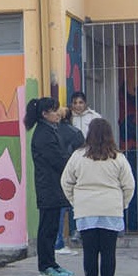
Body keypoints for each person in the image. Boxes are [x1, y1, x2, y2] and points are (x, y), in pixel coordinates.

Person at [60, 118, 134, 276]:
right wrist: (121, 204)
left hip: (86, 210)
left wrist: (75, 201)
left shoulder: (78, 156)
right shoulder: (118, 157)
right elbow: (129, 185)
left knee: (90, 253)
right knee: (109, 253)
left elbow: (66, 181)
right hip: (111, 209)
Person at [23, 96, 74, 276]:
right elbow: (58, 159)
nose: (58, 114)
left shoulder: (50, 130)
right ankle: (45, 266)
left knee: (52, 227)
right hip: (48, 187)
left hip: (54, 186)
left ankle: (52, 263)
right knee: (47, 228)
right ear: (44, 114)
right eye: (54, 110)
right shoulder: (43, 135)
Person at [56, 98, 87, 256]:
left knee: (60, 209)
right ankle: (79, 233)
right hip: (74, 173)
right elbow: (82, 153)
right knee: (77, 204)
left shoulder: (53, 132)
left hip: (56, 173)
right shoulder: (75, 133)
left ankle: (58, 240)